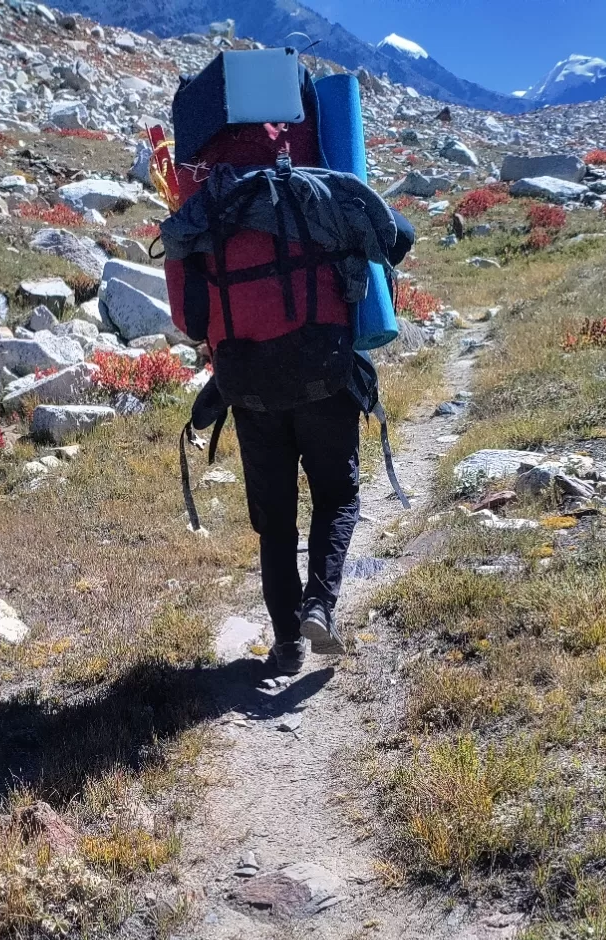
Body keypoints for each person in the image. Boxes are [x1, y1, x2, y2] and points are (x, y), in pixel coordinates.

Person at [164, 101, 413, 675]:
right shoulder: (316, 185)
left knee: (274, 522)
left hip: (248, 385)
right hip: (323, 371)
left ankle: (284, 644)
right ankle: (319, 608)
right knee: (338, 496)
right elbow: (400, 236)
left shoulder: (202, 208)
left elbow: (189, 320)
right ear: (283, 134)